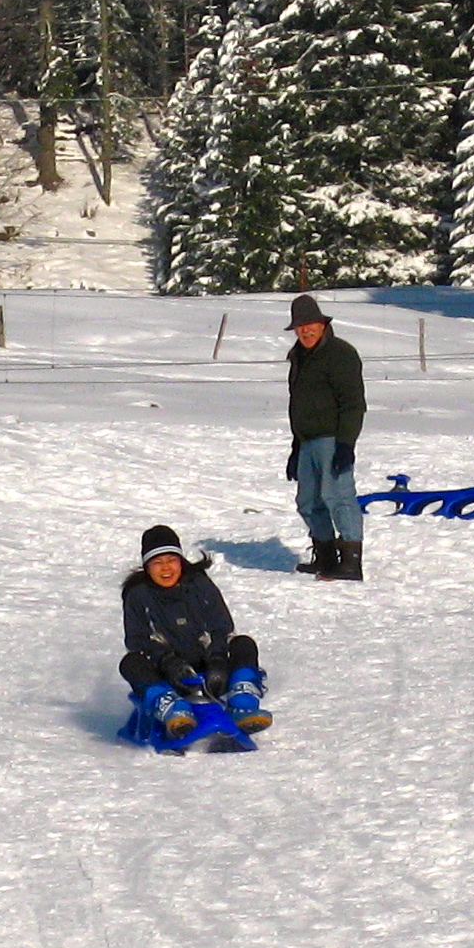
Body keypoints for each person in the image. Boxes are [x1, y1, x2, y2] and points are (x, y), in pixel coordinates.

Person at [121, 524, 271, 738]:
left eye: (171, 560)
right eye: (157, 563)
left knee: (243, 644)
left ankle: (243, 704)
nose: (166, 568)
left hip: (209, 666)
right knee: (131, 662)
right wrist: (167, 661)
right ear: (147, 567)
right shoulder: (138, 595)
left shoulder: (198, 584)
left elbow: (221, 626)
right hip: (167, 674)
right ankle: (172, 708)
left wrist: (218, 658)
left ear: (181, 561)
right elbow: (137, 640)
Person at [285, 293, 367, 582]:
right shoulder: (298, 357)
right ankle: (326, 557)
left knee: (339, 497)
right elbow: (299, 404)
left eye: (310, 325)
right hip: (307, 441)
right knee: (308, 502)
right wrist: (296, 448)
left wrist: (346, 444)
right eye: (300, 326)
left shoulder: (340, 354)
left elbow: (353, 403)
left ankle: (351, 562)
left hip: (333, 438)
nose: (306, 331)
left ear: (322, 324)